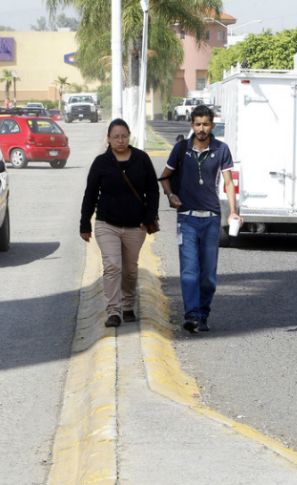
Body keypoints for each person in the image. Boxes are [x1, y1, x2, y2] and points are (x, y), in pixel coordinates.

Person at [158, 105, 241, 334]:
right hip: (187, 219)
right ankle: (192, 315)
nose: (201, 129)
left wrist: (233, 211)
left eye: (205, 124)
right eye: (197, 124)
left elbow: (229, 183)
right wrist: (171, 194)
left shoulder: (221, 149)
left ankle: (203, 314)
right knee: (189, 271)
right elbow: (164, 177)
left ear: (212, 125)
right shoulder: (181, 148)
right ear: (192, 125)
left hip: (212, 219)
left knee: (207, 276)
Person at [80, 119, 160, 327]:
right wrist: (85, 223)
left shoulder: (141, 159)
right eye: (116, 136)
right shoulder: (101, 162)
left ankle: (127, 305)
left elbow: (152, 190)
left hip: (136, 226)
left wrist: (149, 217)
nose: (120, 140)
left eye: (124, 136)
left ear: (129, 136)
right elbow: (90, 193)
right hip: (107, 224)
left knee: (130, 270)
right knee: (112, 266)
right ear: (108, 139)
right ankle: (113, 311)